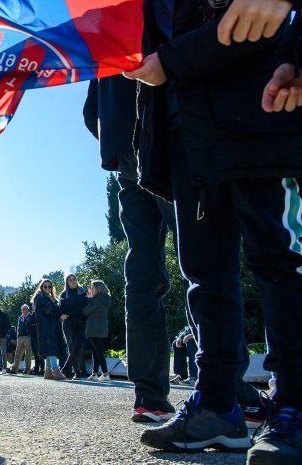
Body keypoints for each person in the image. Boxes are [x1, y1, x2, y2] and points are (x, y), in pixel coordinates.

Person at [125, 0, 302, 458]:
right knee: (205, 273)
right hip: (184, 137)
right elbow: (129, 43)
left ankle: (292, 404)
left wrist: (171, 62)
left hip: (253, 126)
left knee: (274, 261)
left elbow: (262, 23)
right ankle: (217, 405)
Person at [84, 75, 177, 421]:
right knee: (201, 258)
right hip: (171, 130)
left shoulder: (107, 24)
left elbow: (89, 110)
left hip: (125, 147)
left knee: (141, 271)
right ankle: (227, 388)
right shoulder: (154, 19)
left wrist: (118, 139)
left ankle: (149, 393)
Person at [33, 280, 66, 380]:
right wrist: (60, 314)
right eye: (45, 287)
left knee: (49, 349)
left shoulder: (48, 298)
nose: (47, 288)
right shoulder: (40, 298)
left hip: (49, 327)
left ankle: (48, 372)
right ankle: (56, 371)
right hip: (46, 327)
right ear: (41, 287)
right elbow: (49, 310)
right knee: (51, 349)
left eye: (49, 286)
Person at [58, 274, 88, 380]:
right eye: (70, 280)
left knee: (78, 346)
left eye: (74, 279)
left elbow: (89, 304)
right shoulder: (63, 294)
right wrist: (61, 315)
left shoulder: (83, 292)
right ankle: (77, 373)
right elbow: (59, 308)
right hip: (68, 324)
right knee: (71, 347)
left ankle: (66, 369)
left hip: (81, 323)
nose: (73, 281)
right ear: (67, 282)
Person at [83, 280, 112, 383]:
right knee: (96, 351)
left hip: (93, 328)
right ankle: (94, 374)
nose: (91, 289)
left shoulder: (96, 300)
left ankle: (105, 373)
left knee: (99, 352)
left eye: (92, 287)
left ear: (97, 289)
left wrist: (90, 299)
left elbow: (86, 311)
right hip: (102, 328)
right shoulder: (106, 299)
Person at [10, 304, 34, 376]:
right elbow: (18, 328)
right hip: (20, 337)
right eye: (22, 309)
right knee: (17, 354)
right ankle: (14, 369)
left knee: (28, 355)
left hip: (28, 337)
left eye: (25, 309)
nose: (23, 311)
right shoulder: (20, 318)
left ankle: (27, 369)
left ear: (27, 310)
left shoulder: (31, 317)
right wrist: (18, 336)